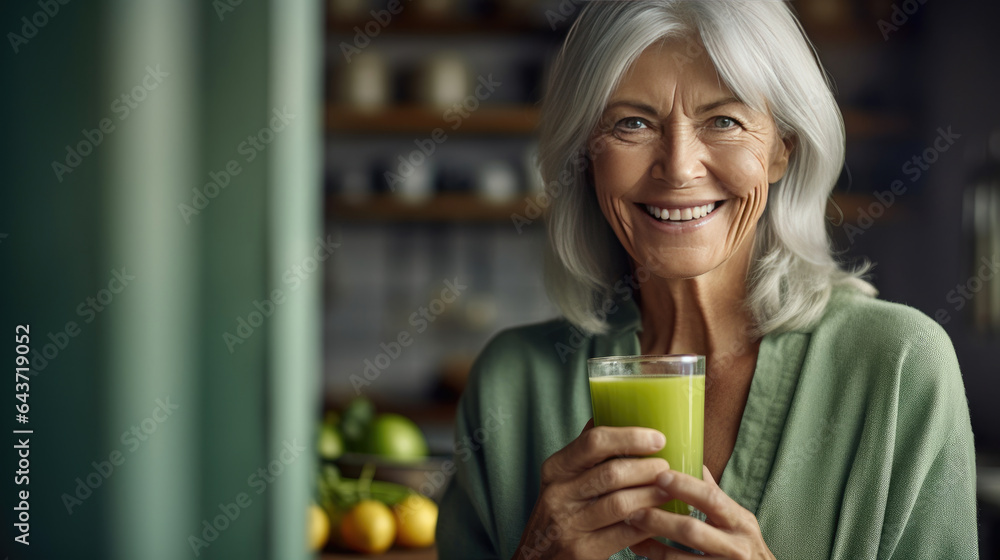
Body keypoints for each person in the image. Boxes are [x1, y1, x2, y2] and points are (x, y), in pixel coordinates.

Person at [436, 1, 979, 558]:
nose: (679, 166)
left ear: (781, 150)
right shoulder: (511, 382)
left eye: (724, 120)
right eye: (632, 123)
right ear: (586, 156)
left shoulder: (901, 366)